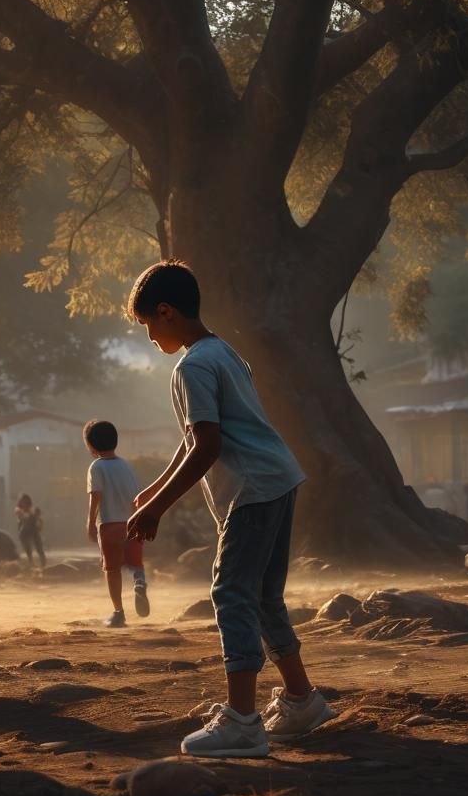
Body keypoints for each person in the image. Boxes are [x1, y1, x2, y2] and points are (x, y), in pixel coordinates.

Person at [126, 261, 336, 758]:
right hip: (278, 479)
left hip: (252, 490)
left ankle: (242, 720)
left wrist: (157, 509)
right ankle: (302, 699)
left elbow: (207, 446)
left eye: (148, 324)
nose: (150, 336)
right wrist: (154, 488)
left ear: (166, 311)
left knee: (231, 593)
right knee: (263, 597)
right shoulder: (223, 352)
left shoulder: (192, 367)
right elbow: (197, 437)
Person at [84, 419, 149, 627]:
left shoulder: (96, 467)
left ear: (91, 446)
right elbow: (137, 496)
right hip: (131, 522)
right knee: (135, 561)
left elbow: (96, 496)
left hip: (109, 525)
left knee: (112, 570)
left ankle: (118, 612)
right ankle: (139, 581)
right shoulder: (126, 466)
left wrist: (90, 522)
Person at [15, 493, 46, 568]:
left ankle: (43, 563)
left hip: (33, 530)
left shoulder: (32, 510)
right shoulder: (19, 510)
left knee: (39, 547)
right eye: (23, 502)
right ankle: (31, 562)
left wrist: (39, 525)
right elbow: (20, 520)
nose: (24, 503)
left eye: (25, 501)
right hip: (24, 531)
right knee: (28, 548)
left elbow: (39, 520)